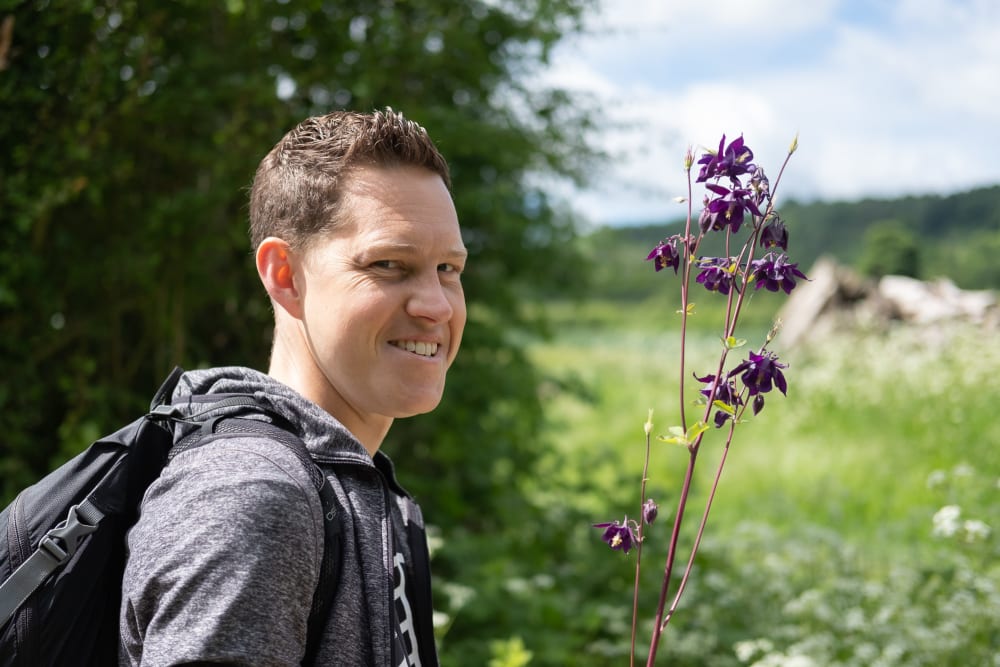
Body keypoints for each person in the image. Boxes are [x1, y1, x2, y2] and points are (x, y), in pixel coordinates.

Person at [119, 108, 466, 666]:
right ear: (285, 275)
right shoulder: (253, 497)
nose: (436, 305)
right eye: (388, 264)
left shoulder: (340, 483)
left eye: (449, 268)